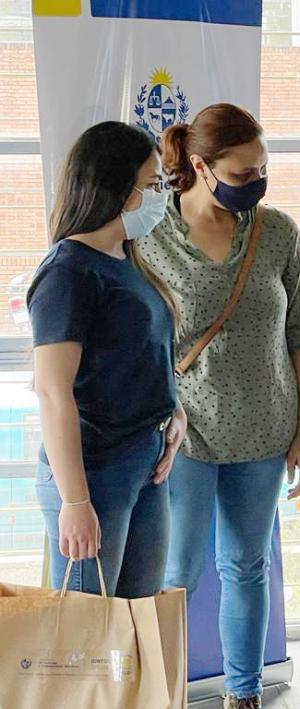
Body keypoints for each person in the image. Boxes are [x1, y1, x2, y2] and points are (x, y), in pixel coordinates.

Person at [139, 104, 300, 709]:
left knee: (246, 566)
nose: (257, 184)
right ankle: (161, 694)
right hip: (182, 437)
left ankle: (244, 693)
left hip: (266, 430)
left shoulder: (278, 234)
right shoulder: (149, 241)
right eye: (244, 174)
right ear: (199, 166)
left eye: (262, 170)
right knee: (177, 575)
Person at [28, 122, 186, 597]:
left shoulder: (127, 257)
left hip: (146, 462)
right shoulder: (68, 272)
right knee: (86, 638)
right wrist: (75, 501)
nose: (162, 195)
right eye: (153, 184)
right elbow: (53, 393)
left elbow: (143, 352)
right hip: (94, 471)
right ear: (116, 187)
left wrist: (172, 413)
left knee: (134, 628)